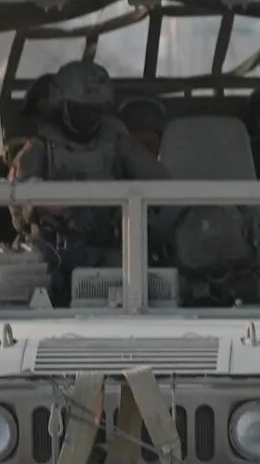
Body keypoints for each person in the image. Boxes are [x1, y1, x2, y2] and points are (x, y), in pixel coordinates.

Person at [10, 60, 168, 302]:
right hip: (48, 253)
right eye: (82, 109)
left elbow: (163, 187)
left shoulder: (117, 141)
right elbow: (19, 194)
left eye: (97, 110)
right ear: (62, 106)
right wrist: (65, 209)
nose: (91, 117)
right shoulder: (40, 147)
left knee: (142, 289)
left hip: (106, 252)